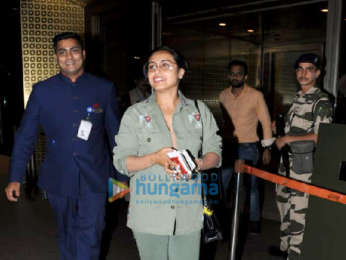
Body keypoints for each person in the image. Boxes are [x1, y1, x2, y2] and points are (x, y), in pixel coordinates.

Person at [4, 32, 122, 260]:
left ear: (84, 54)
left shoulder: (104, 88)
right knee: (67, 232)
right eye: (62, 51)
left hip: (96, 175)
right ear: (56, 57)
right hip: (58, 176)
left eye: (74, 50)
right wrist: (15, 176)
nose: (69, 56)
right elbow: (25, 135)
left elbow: (115, 135)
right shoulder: (42, 91)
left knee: (92, 231)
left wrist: (122, 178)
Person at [113, 46, 222, 260]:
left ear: (181, 72)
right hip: (148, 212)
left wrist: (197, 163)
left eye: (165, 65)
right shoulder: (134, 114)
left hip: (188, 212)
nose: (156, 71)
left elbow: (215, 153)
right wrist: (154, 158)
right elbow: (121, 162)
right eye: (152, 67)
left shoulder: (200, 111)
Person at [271, 53, 333, 259]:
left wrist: (288, 139)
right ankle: (286, 248)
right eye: (300, 69)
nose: (303, 73)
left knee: (299, 213)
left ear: (318, 73)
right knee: (284, 207)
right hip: (287, 164)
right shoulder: (298, 97)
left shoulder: (321, 100)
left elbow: (321, 136)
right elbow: (297, 129)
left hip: (304, 168)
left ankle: (296, 254)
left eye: (308, 69)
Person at [219, 60, 274, 233]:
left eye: (239, 73)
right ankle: (219, 221)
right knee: (221, 184)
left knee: (251, 188)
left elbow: (265, 122)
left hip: (248, 146)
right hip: (228, 146)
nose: (235, 76)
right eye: (232, 73)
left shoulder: (255, 95)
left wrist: (267, 148)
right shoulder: (222, 95)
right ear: (229, 75)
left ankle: (254, 222)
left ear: (245, 76)